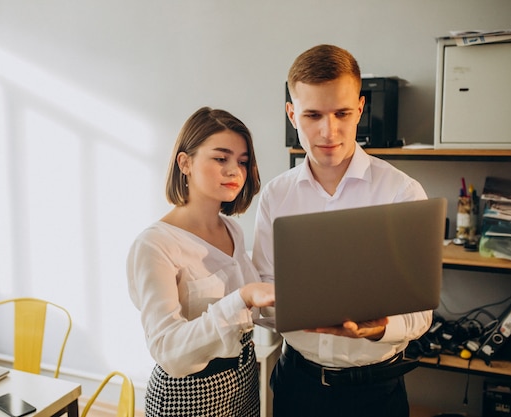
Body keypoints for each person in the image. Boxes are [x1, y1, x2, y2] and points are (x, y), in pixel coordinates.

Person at [252, 44, 432, 417]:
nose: (328, 130)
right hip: (297, 385)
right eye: (313, 114)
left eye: (342, 113)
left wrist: (381, 326)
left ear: (361, 110)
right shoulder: (275, 195)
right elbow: (262, 293)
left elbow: (421, 313)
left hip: (375, 393)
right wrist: (285, 308)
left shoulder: (401, 192)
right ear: (292, 114)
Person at [127, 106, 275, 417]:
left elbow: (256, 310)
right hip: (188, 394)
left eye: (242, 162)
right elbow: (168, 350)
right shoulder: (155, 245)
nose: (234, 170)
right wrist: (242, 299)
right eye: (221, 158)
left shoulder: (233, 229)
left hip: (244, 382)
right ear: (185, 162)